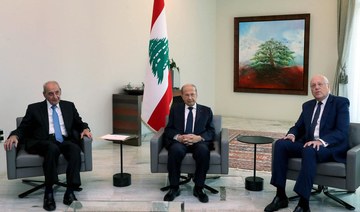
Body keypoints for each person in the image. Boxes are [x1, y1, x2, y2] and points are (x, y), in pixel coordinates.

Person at [264, 74, 350, 212]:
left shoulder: (340, 103)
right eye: (313, 85)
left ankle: (304, 203)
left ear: (328, 86)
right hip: (308, 144)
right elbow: (298, 126)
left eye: (320, 84)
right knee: (281, 144)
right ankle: (280, 196)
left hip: (330, 147)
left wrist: (321, 141)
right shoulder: (308, 106)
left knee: (309, 150)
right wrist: (292, 134)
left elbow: (342, 131)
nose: (316, 88)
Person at [4, 81, 92, 211]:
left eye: (57, 93)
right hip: (43, 141)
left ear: (60, 91)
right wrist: (14, 135)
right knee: (52, 148)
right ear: (44, 95)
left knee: (74, 149)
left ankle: (70, 191)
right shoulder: (34, 108)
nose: (55, 97)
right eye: (50, 94)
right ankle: (49, 192)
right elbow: (23, 127)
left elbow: (79, 122)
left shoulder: (69, 106)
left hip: (64, 139)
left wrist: (85, 128)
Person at [163, 84, 215, 203]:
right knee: (175, 151)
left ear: (197, 95)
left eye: (192, 94)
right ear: (182, 96)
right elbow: (169, 129)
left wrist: (199, 138)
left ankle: (199, 188)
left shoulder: (206, 110)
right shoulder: (175, 109)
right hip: (180, 142)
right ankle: (174, 188)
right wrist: (178, 137)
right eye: (186, 95)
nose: (190, 97)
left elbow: (211, 131)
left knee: (203, 151)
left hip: (198, 142)